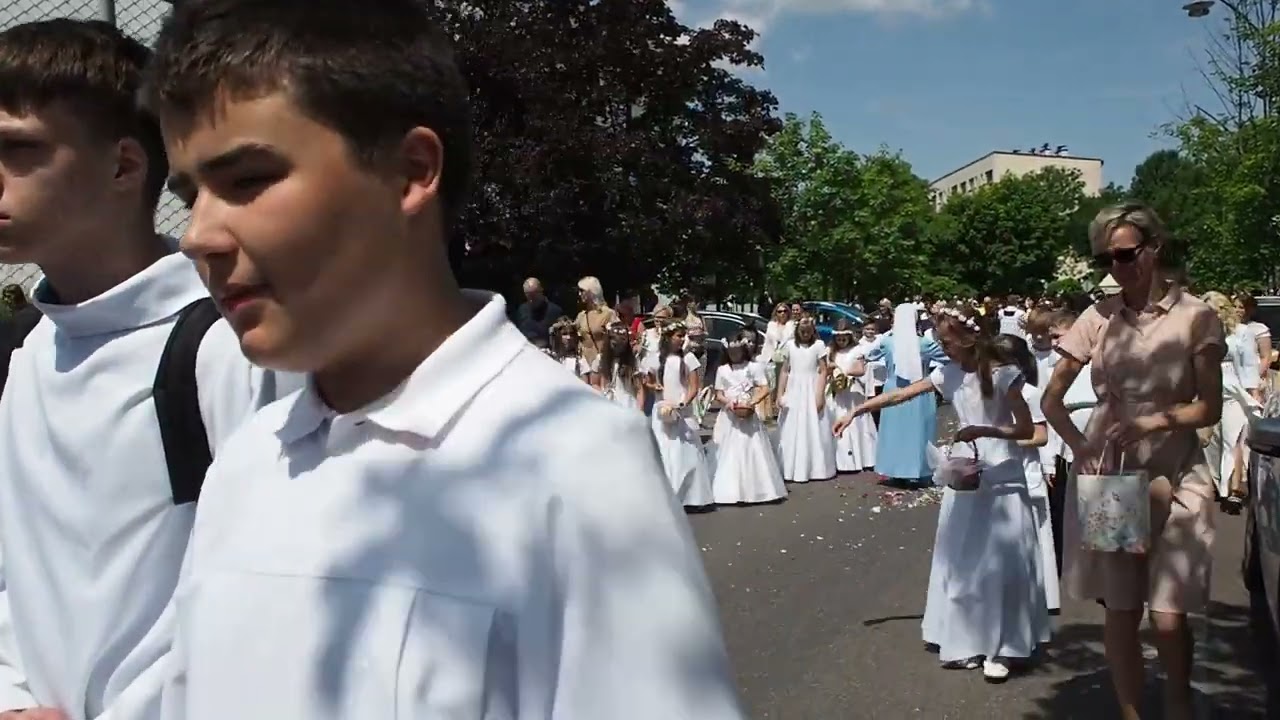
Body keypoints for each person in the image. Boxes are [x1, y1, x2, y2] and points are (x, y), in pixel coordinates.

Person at [145, 1, 742, 717]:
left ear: (410, 172)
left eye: (247, 180)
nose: (198, 235)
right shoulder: (244, 464)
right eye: (190, 195)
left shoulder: (572, 464)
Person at [0, 19, 302, 720]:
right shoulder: (28, 352)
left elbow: (272, 596)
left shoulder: (223, 344)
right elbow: (15, 577)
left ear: (124, 167)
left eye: (18, 150)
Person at [1041, 203, 1223, 720]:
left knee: (1169, 614)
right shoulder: (1097, 317)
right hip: (1115, 479)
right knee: (1122, 607)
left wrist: (1155, 421)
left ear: (1153, 247)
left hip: (1177, 470)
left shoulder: (1196, 316)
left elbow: (1210, 407)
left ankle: (1178, 704)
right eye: (1106, 259)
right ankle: (1130, 712)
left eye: (1124, 255)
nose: (1116, 268)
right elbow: (1051, 400)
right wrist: (1082, 447)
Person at [835, 311, 1046, 682]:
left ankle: (1004, 646)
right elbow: (901, 394)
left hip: (1002, 475)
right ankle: (967, 638)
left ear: (968, 338)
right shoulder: (946, 373)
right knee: (962, 559)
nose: (941, 347)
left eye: (946, 341)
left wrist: (985, 430)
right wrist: (860, 409)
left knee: (1001, 561)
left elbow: (1027, 429)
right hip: (967, 472)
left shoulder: (1003, 375)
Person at [858, 303, 949, 486]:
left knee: (895, 432)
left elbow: (869, 355)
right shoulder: (924, 343)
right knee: (918, 432)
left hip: (893, 389)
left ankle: (895, 471)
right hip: (920, 389)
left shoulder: (887, 342)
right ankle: (917, 470)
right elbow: (947, 358)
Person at [574, 275, 617, 366]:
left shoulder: (608, 314)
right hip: (584, 365)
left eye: (582, 291)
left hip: (603, 364)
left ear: (592, 291)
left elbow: (618, 339)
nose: (579, 294)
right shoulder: (581, 316)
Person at [512, 277, 561, 349]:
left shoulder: (555, 311)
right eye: (529, 296)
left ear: (541, 291)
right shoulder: (521, 310)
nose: (532, 300)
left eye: (534, 295)